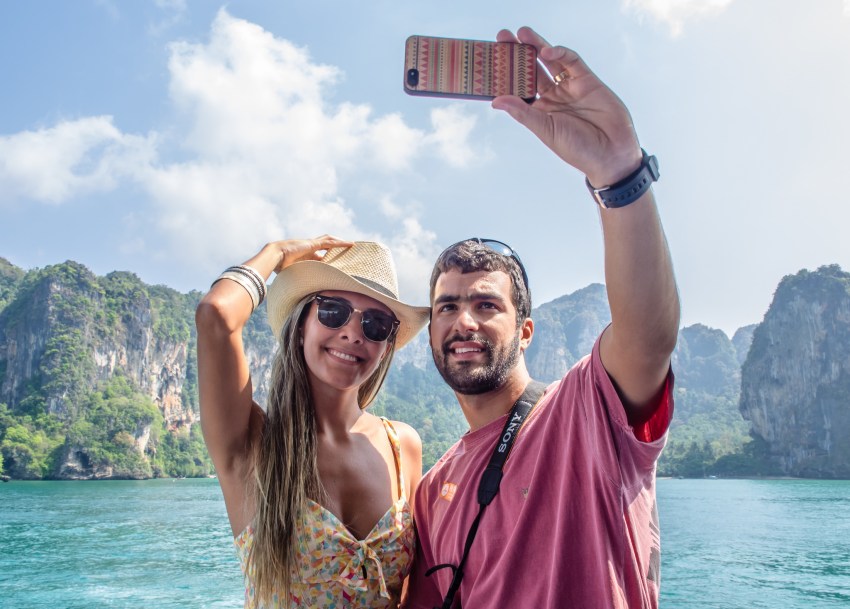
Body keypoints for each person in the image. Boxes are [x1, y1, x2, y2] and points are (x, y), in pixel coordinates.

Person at [403, 27, 680, 609]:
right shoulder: (431, 491)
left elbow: (648, 337)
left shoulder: (585, 416)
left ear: (525, 330)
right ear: (431, 330)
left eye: (486, 305)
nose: (464, 322)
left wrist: (619, 173)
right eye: (448, 306)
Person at [196, 238, 430, 608]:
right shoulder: (252, 442)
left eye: (376, 323)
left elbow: (411, 594)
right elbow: (216, 315)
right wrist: (275, 253)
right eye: (333, 311)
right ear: (302, 323)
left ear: (386, 344)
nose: (354, 333)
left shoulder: (402, 446)